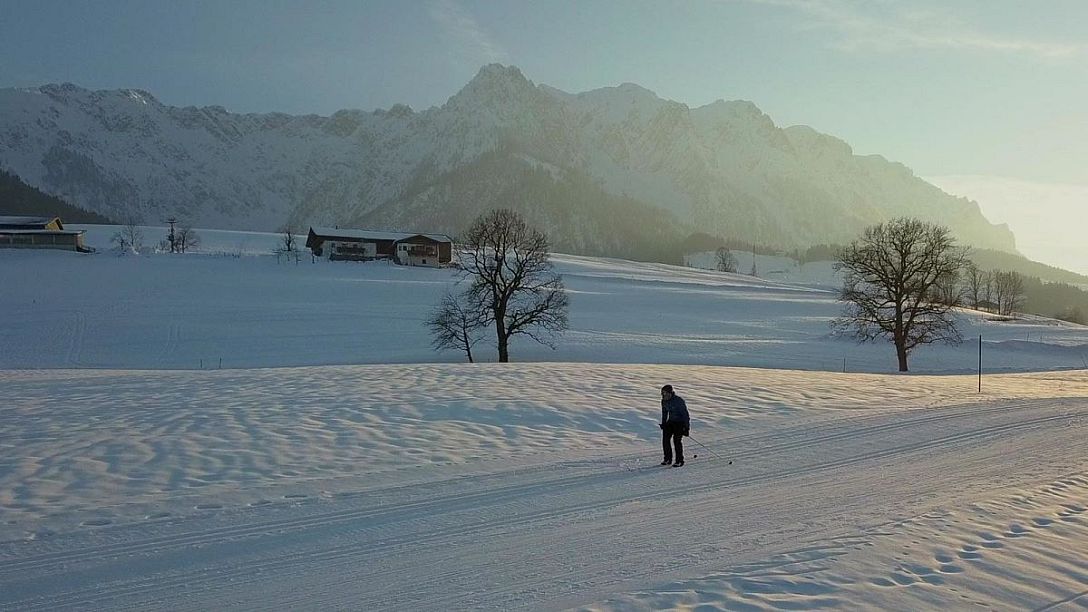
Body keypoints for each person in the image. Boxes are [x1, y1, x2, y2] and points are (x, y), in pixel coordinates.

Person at [659, 384, 690, 466]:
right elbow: (664, 413)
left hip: (680, 423)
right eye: (662, 393)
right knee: (665, 440)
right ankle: (667, 459)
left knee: (676, 441)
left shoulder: (678, 401)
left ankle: (679, 460)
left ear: (670, 393)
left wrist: (686, 427)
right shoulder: (664, 401)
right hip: (671, 422)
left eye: (665, 393)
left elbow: (685, 415)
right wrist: (663, 423)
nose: (663, 395)